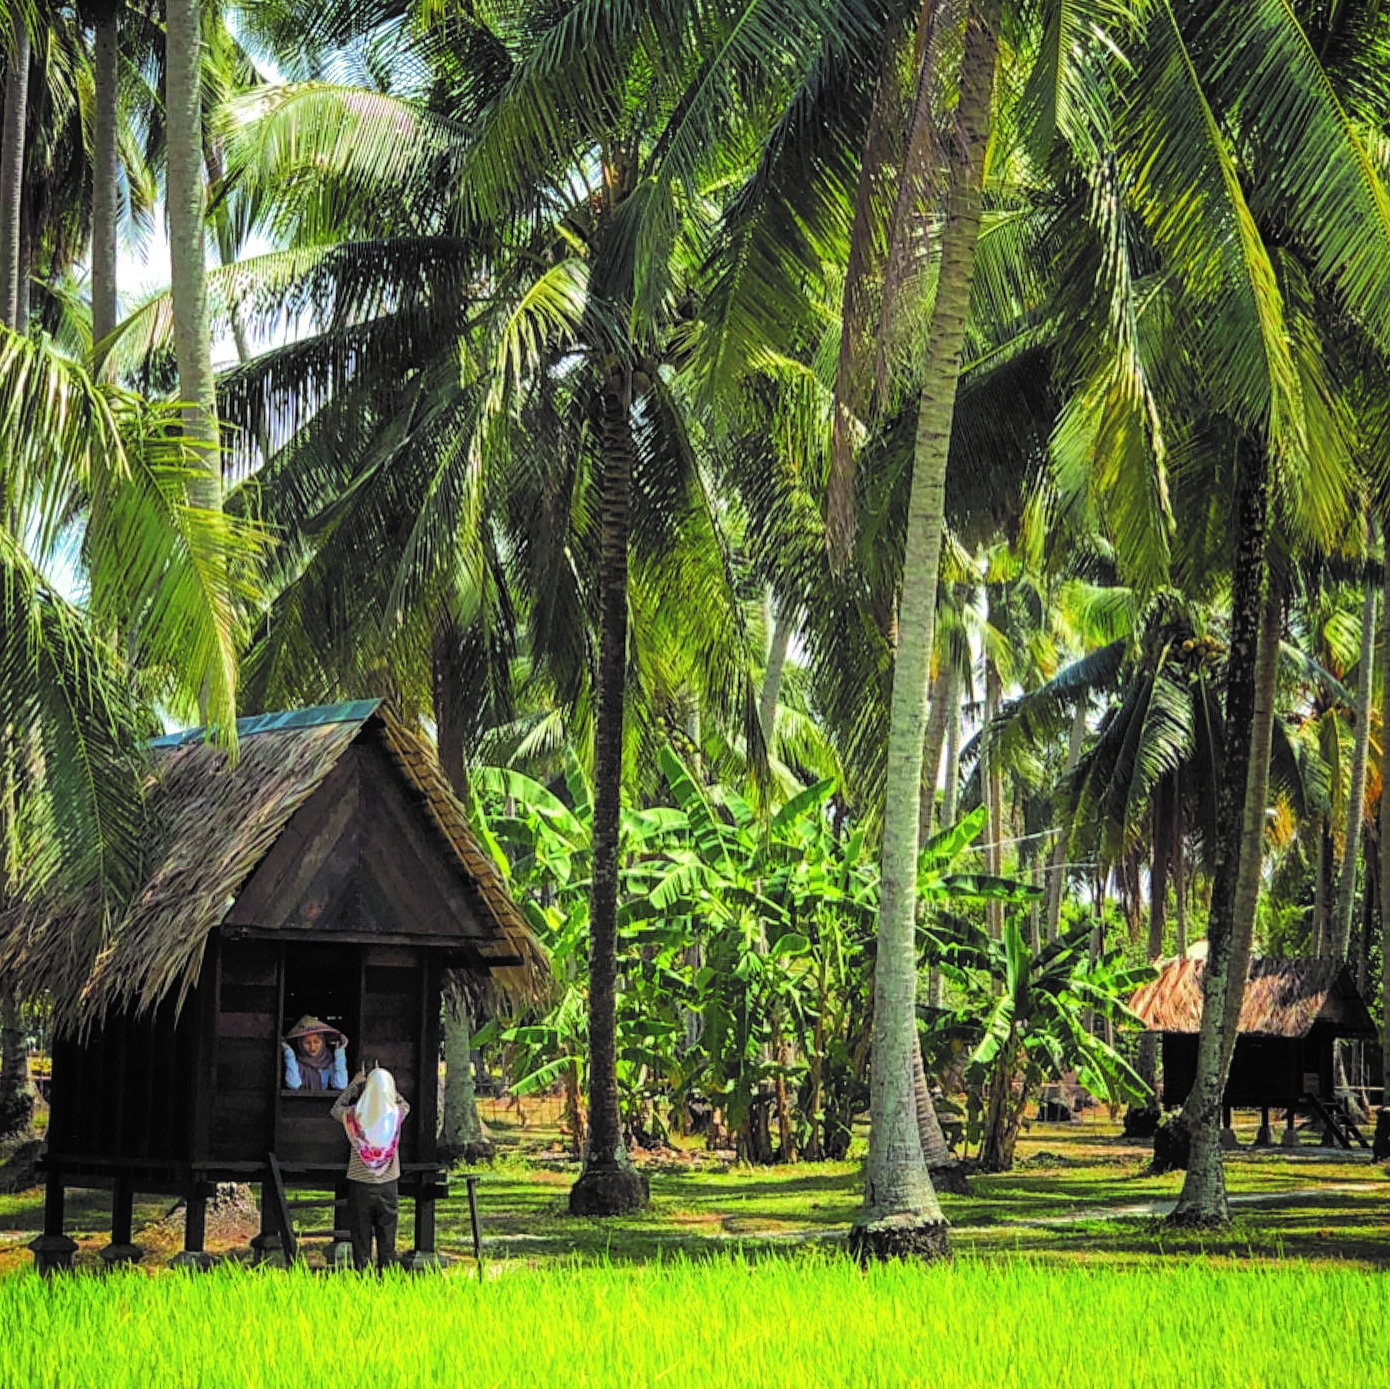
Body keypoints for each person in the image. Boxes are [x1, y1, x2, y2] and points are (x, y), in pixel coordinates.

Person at [330, 1066, 411, 1271]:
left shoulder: (353, 1116)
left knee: (360, 1234)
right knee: (387, 1235)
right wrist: (385, 1084)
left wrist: (356, 1084)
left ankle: (362, 1275)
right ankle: (386, 1275)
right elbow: (404, 1104)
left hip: (360, 1184)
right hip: (388, 1184)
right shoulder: (395, 1115)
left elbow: (335, 1109)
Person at [281, 1016, 349, 1092]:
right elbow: (293, 1084)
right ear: (300, 1044)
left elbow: (341, 1085)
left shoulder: (328, 1063)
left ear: (323, 1042)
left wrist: (340, 1053)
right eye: (307, 1043)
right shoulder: (297, 1063)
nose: (312, 1047)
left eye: (316, 1042)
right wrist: (289, 1055)